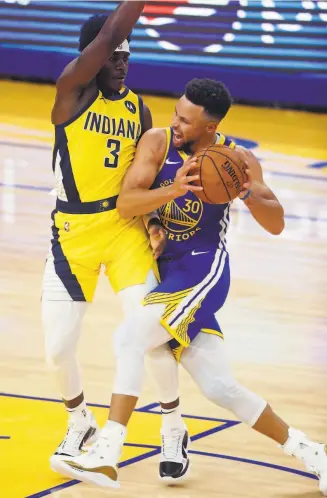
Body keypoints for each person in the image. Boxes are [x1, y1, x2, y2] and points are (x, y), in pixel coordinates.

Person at [57, 78, 327, 495]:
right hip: (164, 273)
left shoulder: (237, 159)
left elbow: (276, 224)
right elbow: (126, 203)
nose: (176, 123)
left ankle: (107, 453)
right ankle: (314, 453)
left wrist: (248, 195)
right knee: (221, 387)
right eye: (177, 113)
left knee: (129, 339)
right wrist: (176, 188)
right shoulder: (157, 143)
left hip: (203, 270)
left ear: (209, 126)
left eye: (186, 120)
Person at [41, 1, 168, 475]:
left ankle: (172, 428)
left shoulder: (139, 109)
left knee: (147, 333)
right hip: (71, 236)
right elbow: (106, 36)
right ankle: (80, 421)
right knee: (57, 348)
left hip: (121, 232)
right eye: (112, 56)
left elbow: (144, 181)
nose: (120, 64)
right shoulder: (71, 92)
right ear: (91, 59)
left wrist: (155, 225)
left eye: (125, 57)